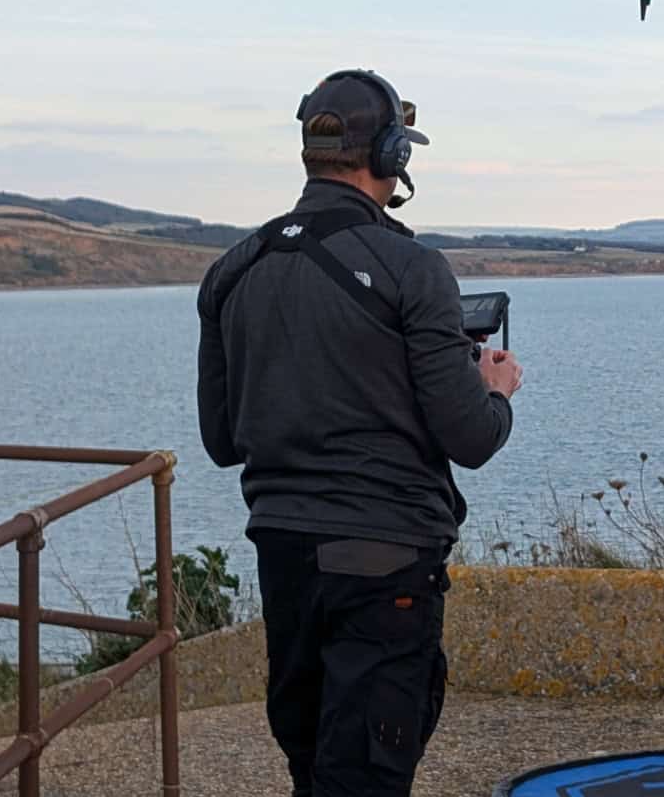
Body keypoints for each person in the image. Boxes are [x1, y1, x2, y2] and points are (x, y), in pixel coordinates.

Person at [196, 68, 521, 796]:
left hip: (282, 559)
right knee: (366, 777)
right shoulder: (413, 268)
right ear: (391, 157)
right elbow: (470, 436)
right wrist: (494, 390)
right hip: (385, 566)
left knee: (314, 771)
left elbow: (221, 439)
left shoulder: (231, 270)